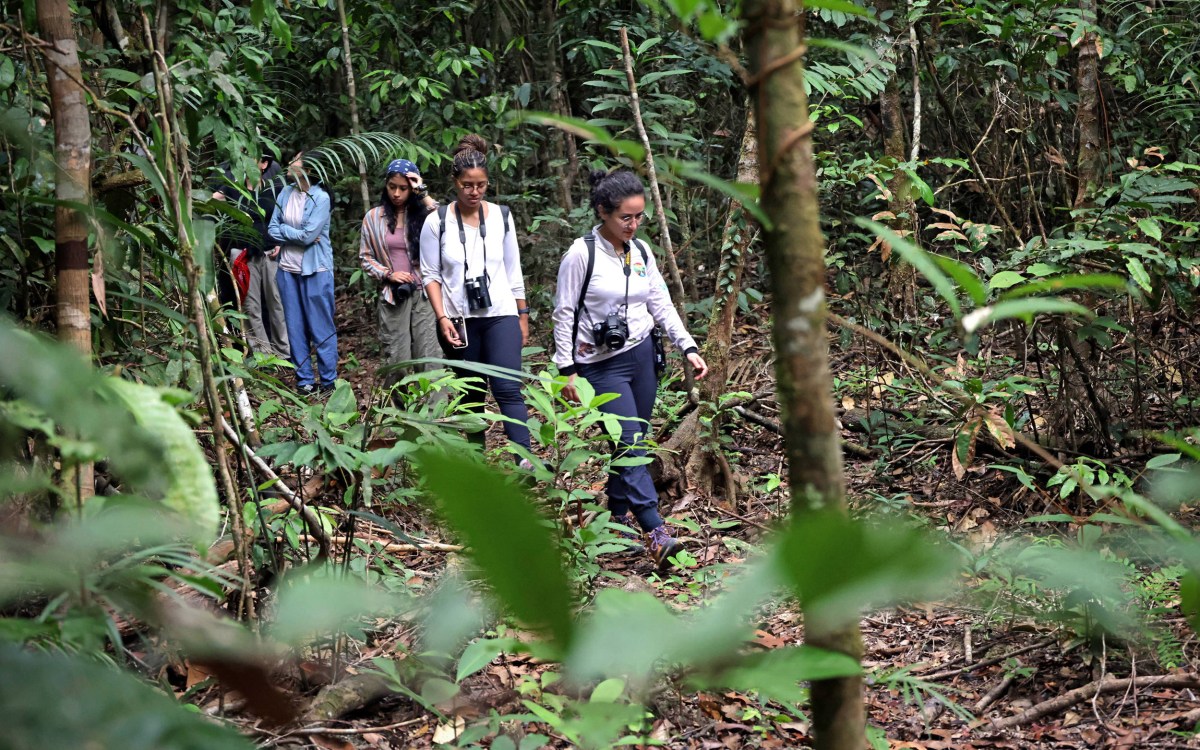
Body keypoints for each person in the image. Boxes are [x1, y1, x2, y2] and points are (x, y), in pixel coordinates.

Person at [551, 169, 709, 570]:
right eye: (626, 217)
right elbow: (564, 313)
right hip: (599, 365)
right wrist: (566, 370)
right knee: (630, 443)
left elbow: (659, 300)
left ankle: (617, 517)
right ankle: (655, 531)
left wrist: (686, 344)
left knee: (630, 442)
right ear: (603, 212)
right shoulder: (581, 254)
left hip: (641, 355)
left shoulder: (639, 251)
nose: (634, 224)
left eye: (639, 217)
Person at [419, 134, 533, 464]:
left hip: (501, 314)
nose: (474, 192)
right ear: (455, 182)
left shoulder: (501, 217)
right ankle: (477, 461)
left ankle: (525, 460)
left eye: (481, 185)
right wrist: (442, 318)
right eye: (467, 185)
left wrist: (522, 316)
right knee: (470, 395)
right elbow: (431, 275)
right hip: (459, 320)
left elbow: (514, 269)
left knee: (508, 387)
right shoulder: (436, 222)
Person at [359, 158, 440, 388]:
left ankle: (436, 416)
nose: (396, 193)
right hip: (393, 294)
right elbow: (365, 257)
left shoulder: (426, 214)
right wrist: (388, 274)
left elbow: (447, 222)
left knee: (429, 358)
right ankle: (399, 417)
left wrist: (421, 191)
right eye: (392, 187)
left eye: (403, 188)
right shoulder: (373, 218)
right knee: (397, 359)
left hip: (425, 293)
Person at [268, 151, 338, 395]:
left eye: (295, 161)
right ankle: (304, 380)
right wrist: (297, 236)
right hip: (287, 269)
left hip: (316, 270)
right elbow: (272, 229)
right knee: (295, 328)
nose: (289, 164)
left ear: (308, 169)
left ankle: (329, 381)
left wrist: (290, 234)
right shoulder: (285, 193)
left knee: (321, 328)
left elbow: (310, 236)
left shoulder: (321, 197)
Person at [214, 156, 290, 360]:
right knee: (250, 305)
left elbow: (286, 216)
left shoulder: (274, 189)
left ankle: (284, 353)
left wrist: (282, 242)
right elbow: (208, 201)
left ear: (264, 165)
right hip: (242, 256)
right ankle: (263, 355)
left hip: (270, 253)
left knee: (276, 302)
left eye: (252, 158)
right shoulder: (232, 188)